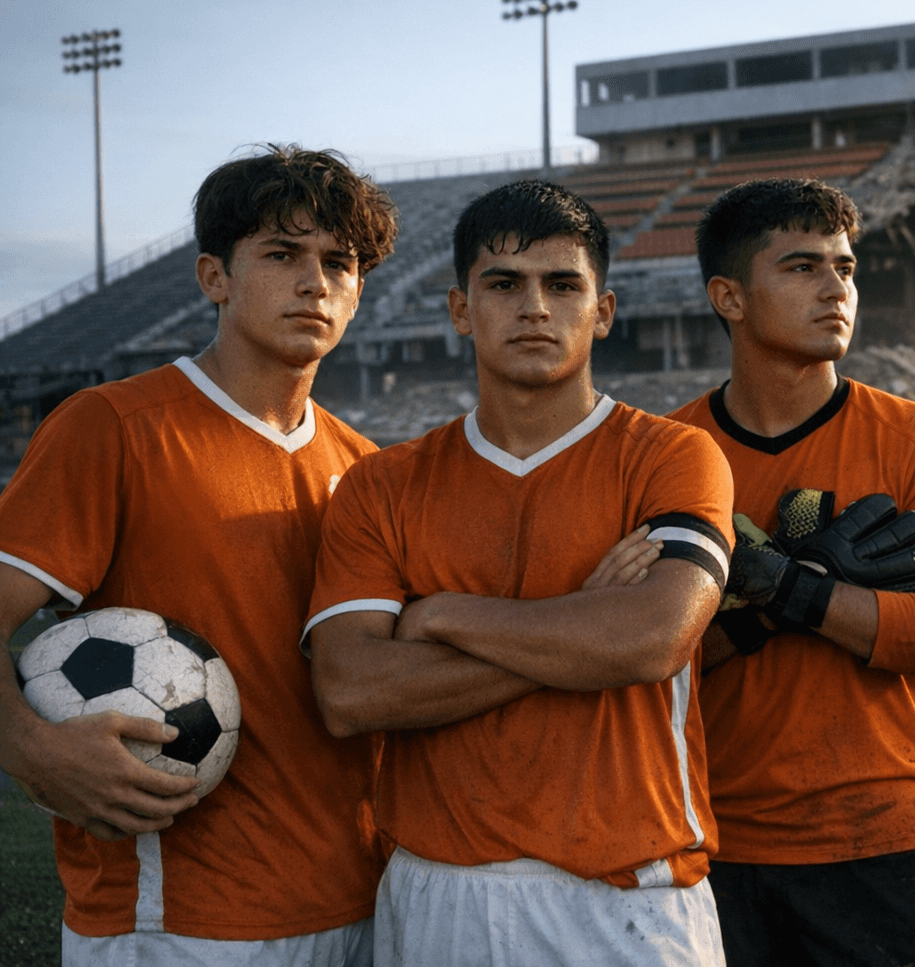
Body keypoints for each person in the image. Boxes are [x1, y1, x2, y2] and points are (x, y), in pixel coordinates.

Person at [304, 179, 734, 967]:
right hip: (438, 890)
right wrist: (577, 626)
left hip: (629, 897)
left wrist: (441, 614)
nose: (535, 306)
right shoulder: (384, 483)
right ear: (461, 310)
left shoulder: (674, 455)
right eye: (504, 284)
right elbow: (350, 692)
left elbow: (649, 638)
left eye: (563, 284)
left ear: (603, 311)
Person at [0, 145, 398, 965]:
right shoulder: (113, 428)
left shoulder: (368, 470)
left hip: (362, 906)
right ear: (214, 276)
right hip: (174, 924)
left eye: (339, 263)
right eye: (282, 255)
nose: (314, 283)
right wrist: (29, 746)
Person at [671, 178, 915, 967]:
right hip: (710, 841)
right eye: (802, 267)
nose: (837, 288)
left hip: (890, 837)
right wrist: (782, 602)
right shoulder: (666, 454)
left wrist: (791, 586)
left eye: (846, 267)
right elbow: (639, 660)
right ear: (729, 296)